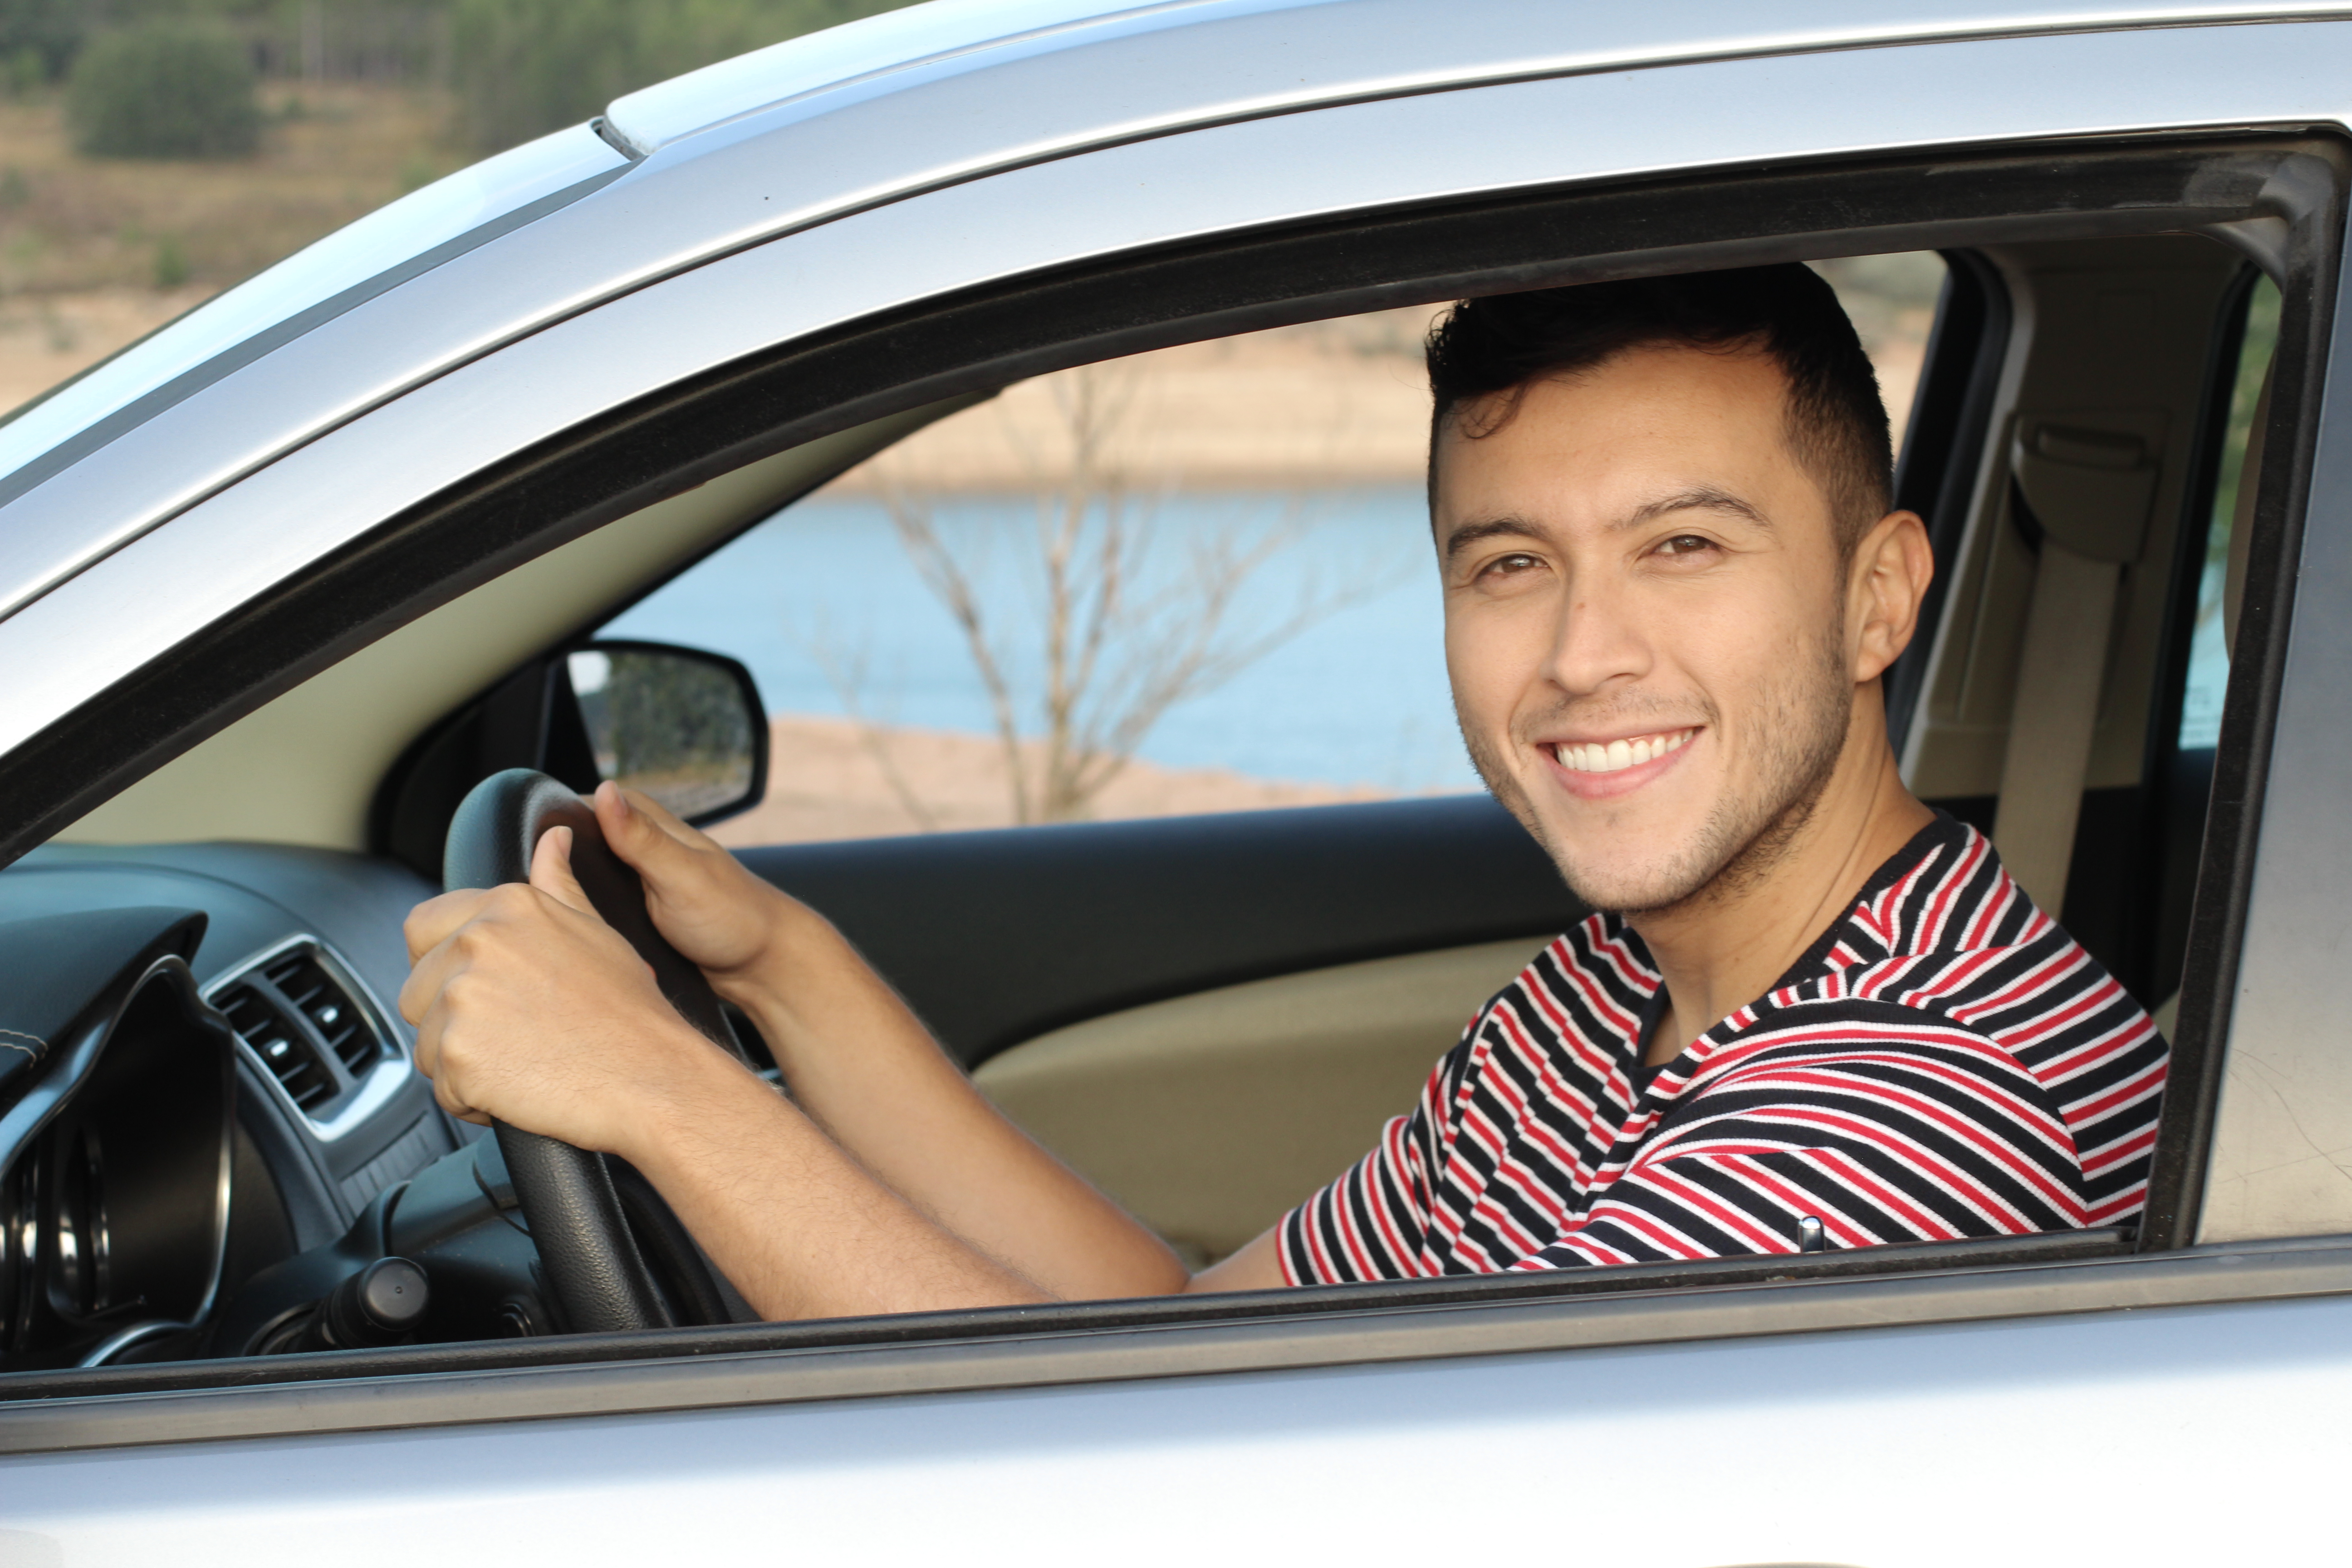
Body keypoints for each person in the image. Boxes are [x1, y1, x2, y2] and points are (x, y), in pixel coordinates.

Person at [400, 265, 2167, 1318]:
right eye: (1507, 568)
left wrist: (658, 1096)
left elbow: (1158, 1514)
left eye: (1683, 546)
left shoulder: (1902, 1108)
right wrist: (783, 970)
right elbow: (1183, 1342)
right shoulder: (1617, 993)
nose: (1582, 654)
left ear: (1879, 597)